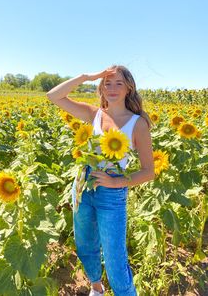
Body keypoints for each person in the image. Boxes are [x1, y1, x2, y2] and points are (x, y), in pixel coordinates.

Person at [46, 65, 155, 296]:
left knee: (115, 258)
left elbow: (148, 171)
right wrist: (87, 77)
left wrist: (116, 183)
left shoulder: (138, 123)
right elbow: (53, 96)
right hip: (84, 187)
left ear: (128, 88)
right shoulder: (93, 114)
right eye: (107, 83)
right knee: (85, 245)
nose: (112, 88)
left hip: (111, 194)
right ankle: (96, 287)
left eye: (118, 83)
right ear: (101, 88)